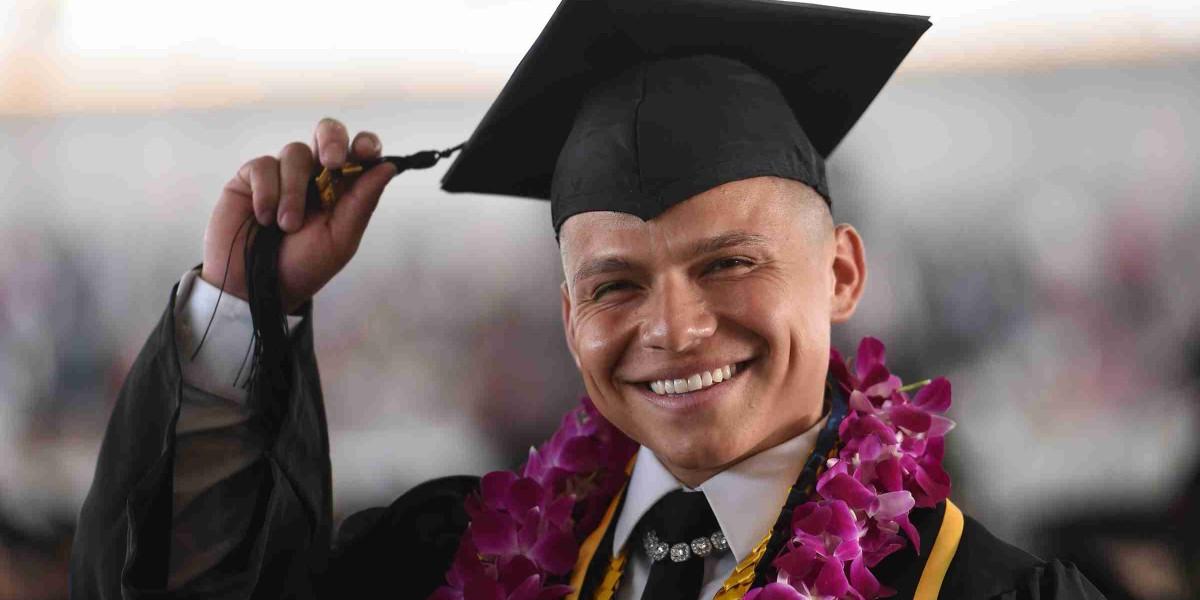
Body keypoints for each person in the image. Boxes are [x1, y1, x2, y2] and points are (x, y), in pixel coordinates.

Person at [69, 0, 1107, 598]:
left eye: (728, 264)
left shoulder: (979, 594)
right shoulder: (451, 564)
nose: (674, 327)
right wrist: (243, 307)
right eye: (614, 284)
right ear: (571, 321)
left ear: (840, 273)